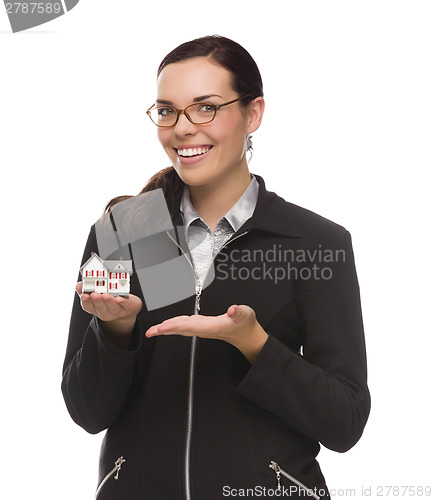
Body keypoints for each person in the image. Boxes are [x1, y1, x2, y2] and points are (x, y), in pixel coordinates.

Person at [62, 35, 370, 500]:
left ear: (253, 114)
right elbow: (87, 411)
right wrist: (115, 332)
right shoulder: (125, 230)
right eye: (167, 111)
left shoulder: (314, 243)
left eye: (205, 107)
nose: (183, 128)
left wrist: (255, 345)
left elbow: (344, 422)